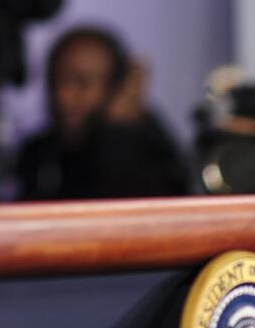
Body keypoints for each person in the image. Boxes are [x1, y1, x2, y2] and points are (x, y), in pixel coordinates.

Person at [14, 26, 189, 200]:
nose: (62, 96)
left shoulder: (152, 154)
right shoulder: (37, 153)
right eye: (55, 80)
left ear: (116, 86)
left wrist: (119, 130)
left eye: (81, 82)